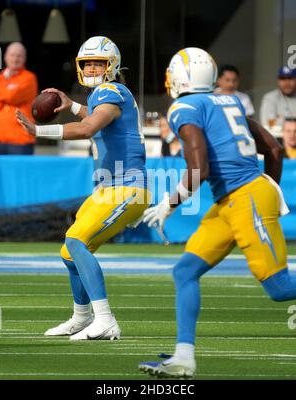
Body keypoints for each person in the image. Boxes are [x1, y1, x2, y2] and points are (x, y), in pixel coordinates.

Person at [138, 47, 295, 378]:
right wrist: (267, 188)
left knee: (280, 288)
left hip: (244, 197)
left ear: (180, 77)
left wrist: (169, 203)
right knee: (185, 271)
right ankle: (184, 358)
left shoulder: (184, 106)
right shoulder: (229, 100)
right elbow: (273, 147)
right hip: (232, 201)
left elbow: (199, 168)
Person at [16, 36, 150, 340]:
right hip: (108, 188)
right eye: (87, 62)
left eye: (98, 63)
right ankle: (82, 316)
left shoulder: (111, 90)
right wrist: (72, 104)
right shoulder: (102, 96)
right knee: (68, 252)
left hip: (127, 187)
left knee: (77, 241)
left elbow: (89, 128)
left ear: (111, 65)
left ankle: (105, 319)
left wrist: (39, 131)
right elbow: (96, 119)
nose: (91, 67)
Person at [0, 42, 38, 154]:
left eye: (19, 56)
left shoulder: (29, 78)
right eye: (12, 55)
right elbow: (7, 94)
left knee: (20, 172)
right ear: (5, 57)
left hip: (20, 140)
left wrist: (1, 92)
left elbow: (11, 96)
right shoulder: (0, 77)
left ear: (24, 58)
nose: (15, 59)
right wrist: (5, 90)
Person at [260, 65, 296, 129]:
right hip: (276, 138)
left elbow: (273, 123)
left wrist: (281, 119)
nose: (287, 83)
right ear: (278, 81)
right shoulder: (270, 98)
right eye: (283, 79)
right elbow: (267, 124)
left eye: (290, 78)